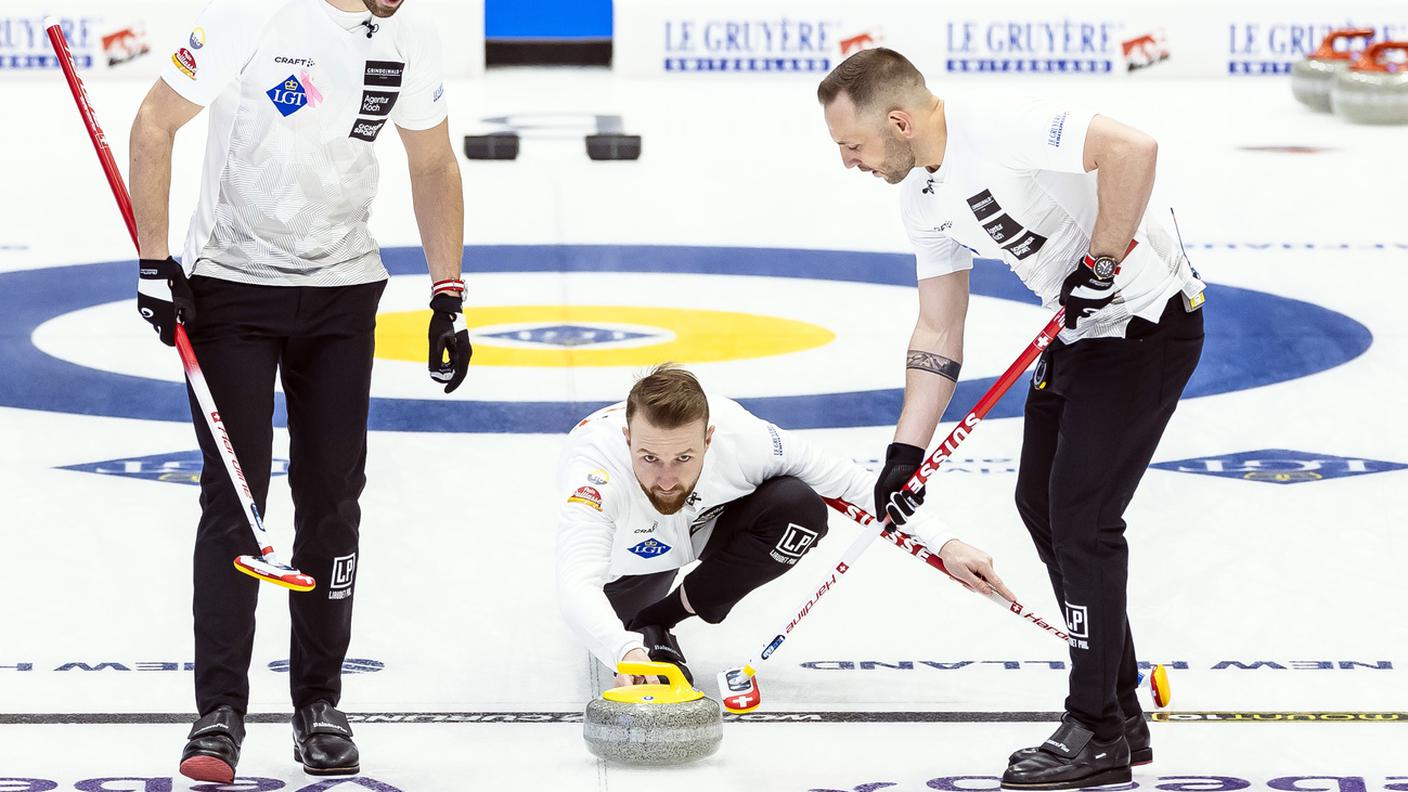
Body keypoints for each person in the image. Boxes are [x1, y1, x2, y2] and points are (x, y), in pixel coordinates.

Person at [816, 48, 1205, 790]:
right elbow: (937, 329)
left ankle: (1093, 728)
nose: (850, 163)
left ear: (897, 121)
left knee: (1083, 518)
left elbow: (1132, 149)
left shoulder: (995, 125)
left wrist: (1101, 258)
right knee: (1041, 506)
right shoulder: (921, 198)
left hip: (1149, 323)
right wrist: (906, 452)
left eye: (853, 146)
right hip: (1081, 334)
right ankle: (1120, 709)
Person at [128, 0, 470, 781]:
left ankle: (320, 702)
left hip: (344, 294)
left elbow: (433, 161)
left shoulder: (411, 35)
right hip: (232, 290)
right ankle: (219, 713)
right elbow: (154, 121)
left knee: (332, 502)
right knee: (236, 500)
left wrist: (447, 293)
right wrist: (154, 264)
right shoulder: (254, 15)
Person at [555, 364, 1013, 689]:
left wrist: (945, 543)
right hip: (629, 562)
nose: (667, 477)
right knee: (611, 624)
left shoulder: (745, 437)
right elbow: (577, 584)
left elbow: (853, 484)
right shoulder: (595, 471)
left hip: (703, 528)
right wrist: (624, 650)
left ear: (709, 438)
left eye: (684, 457)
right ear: (627, 437)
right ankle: (640, 622)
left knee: (799, 506)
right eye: (649, 458)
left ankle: (663, 619)